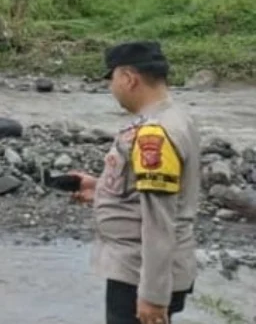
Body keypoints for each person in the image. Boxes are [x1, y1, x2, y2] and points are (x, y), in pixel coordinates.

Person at [70, 42, 200, 324]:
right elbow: (151, 194)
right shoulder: (175, 118)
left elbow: (160, 219)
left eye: (111, 79)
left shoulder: (155, 133)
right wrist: (99, 188)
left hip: (139, 271)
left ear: (129, 78)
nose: (111, 88)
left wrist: (153, 295)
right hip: (146, 269)